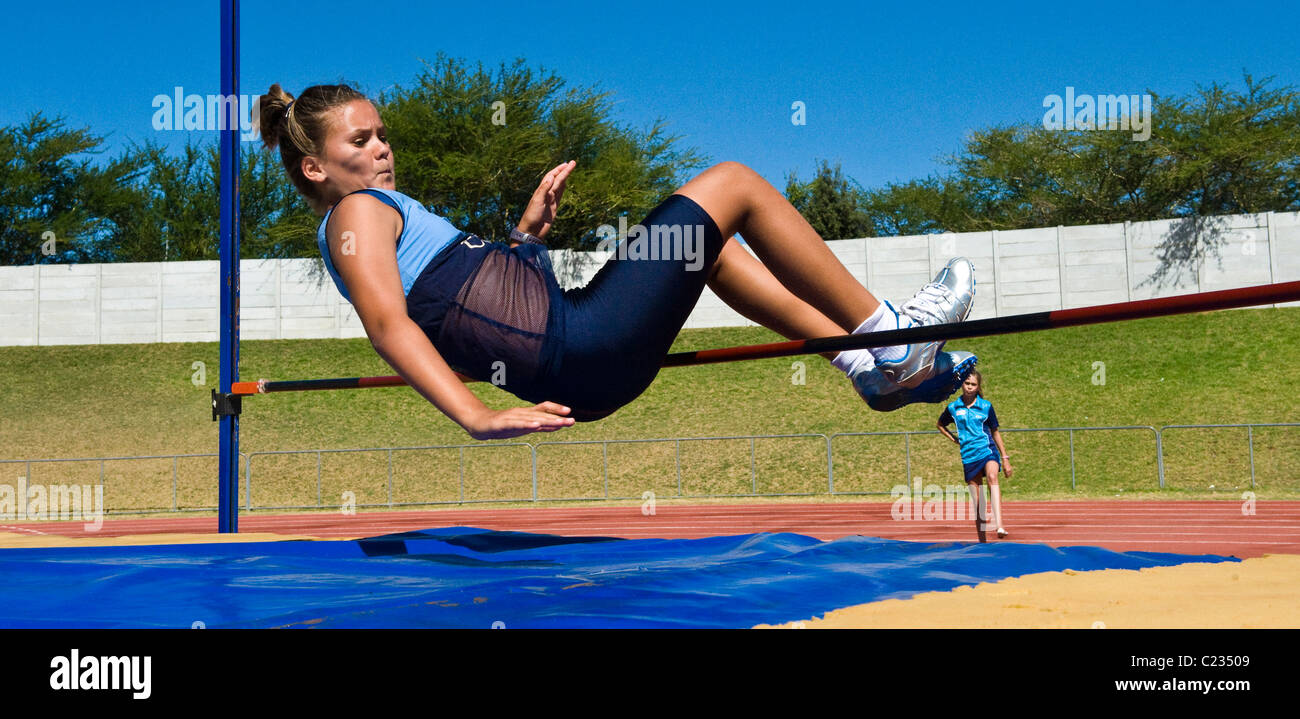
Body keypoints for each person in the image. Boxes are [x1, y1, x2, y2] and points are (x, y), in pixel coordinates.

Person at [259, 82, 980, 440]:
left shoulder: (379, 216)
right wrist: (475, 417)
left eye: (382, 133)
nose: (382, 148)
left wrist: (527, 240)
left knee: (708, 248)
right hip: (582, 344)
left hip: (580, 357)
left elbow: (476, 310)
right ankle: (893, 336)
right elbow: (389, 326)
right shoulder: (356, 215)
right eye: (359, 141)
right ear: (315, 167)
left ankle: (868, 366)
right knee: (733, 183)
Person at [937, 369, 1012, 539]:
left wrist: (1005, 458)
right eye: (967, 383)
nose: (970, 387)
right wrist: (954, 439)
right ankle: (982, 540)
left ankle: (1000, 525)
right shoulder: (953, 407)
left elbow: (995, 432)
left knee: (993, 476)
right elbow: (940, 424)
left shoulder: (986, 406)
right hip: (969, 455)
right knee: (978, 501)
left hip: (987, 449)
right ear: (962, 385)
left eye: (973, 384)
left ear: (978, 387)